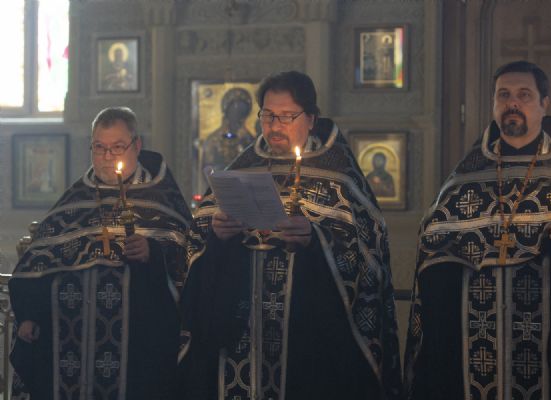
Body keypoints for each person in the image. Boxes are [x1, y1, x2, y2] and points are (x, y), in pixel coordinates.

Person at [179, 71, 402, 399]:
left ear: (310, 119)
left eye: (286, 116)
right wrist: (218, 236)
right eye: (268, 115)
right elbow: (196, 246)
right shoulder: (242, 167)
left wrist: (316, 241)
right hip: (243, 337)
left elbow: (366, 256)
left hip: (308, 337)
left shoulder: (339, 176)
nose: (274, 126)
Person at [404, 60, 551, 400]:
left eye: (524, 95)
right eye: (503, 95)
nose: (512, 103)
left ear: (544, 104)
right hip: (476, 342)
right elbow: (433, 244)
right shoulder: (466, 176)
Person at [9, 107, 191, 400]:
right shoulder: (75, 199)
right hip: (71, 344)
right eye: (99, 147)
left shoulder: (162, 200)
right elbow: (39, 261)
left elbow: (188, 261)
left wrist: (152, 253)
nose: (107, 157)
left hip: (139, 345)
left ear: (137, 145)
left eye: (117, 147)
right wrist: (29, 314)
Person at [199, 87, 255, 192]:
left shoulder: (249, 140)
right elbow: (207, 168)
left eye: (241, 112)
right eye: (234, 111)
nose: (237, 116)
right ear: (227, 111)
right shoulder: (214, 140)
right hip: (220, 188)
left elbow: (256, 166)